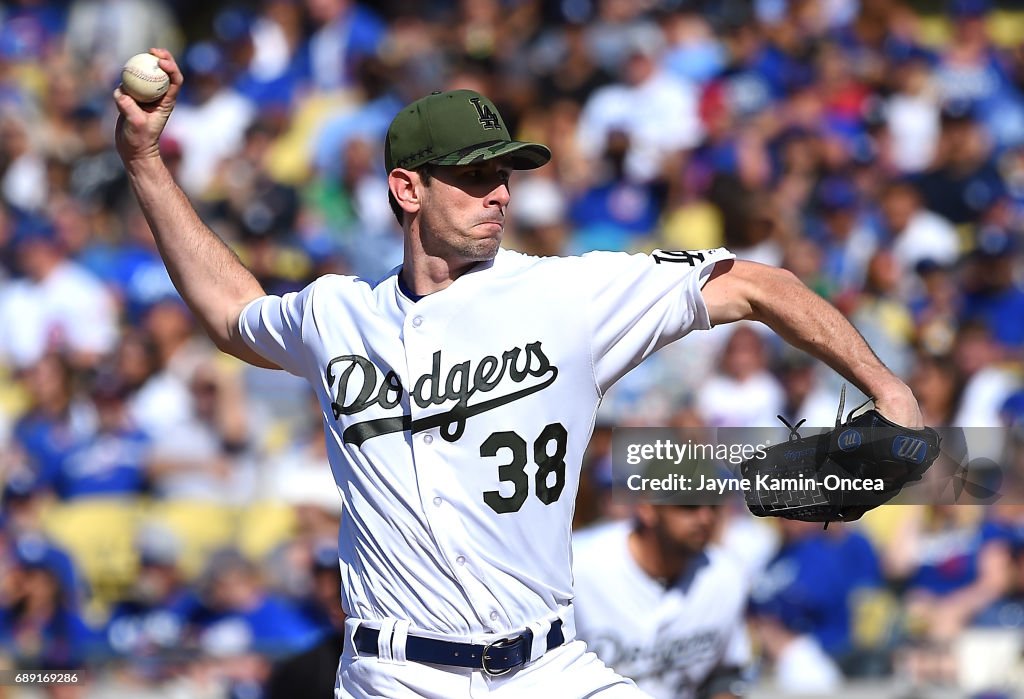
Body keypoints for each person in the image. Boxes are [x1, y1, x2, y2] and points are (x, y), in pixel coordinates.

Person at [113, 48, 926, 698]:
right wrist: (146, 161)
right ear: (407, 188)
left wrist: (890, 390)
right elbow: (230, 316)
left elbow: (755, 283)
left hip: (546, 668)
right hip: (393, 674)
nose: (498, 192)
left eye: (503, 173)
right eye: (472, 176)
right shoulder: (336, 313)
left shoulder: (566, 293)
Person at [572, 492, 750, 698]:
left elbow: (725, 675)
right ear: (647, 507)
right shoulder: (578, 565)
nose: (705, 517)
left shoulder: (726, 573)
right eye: (689, 506)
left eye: (713, 506)